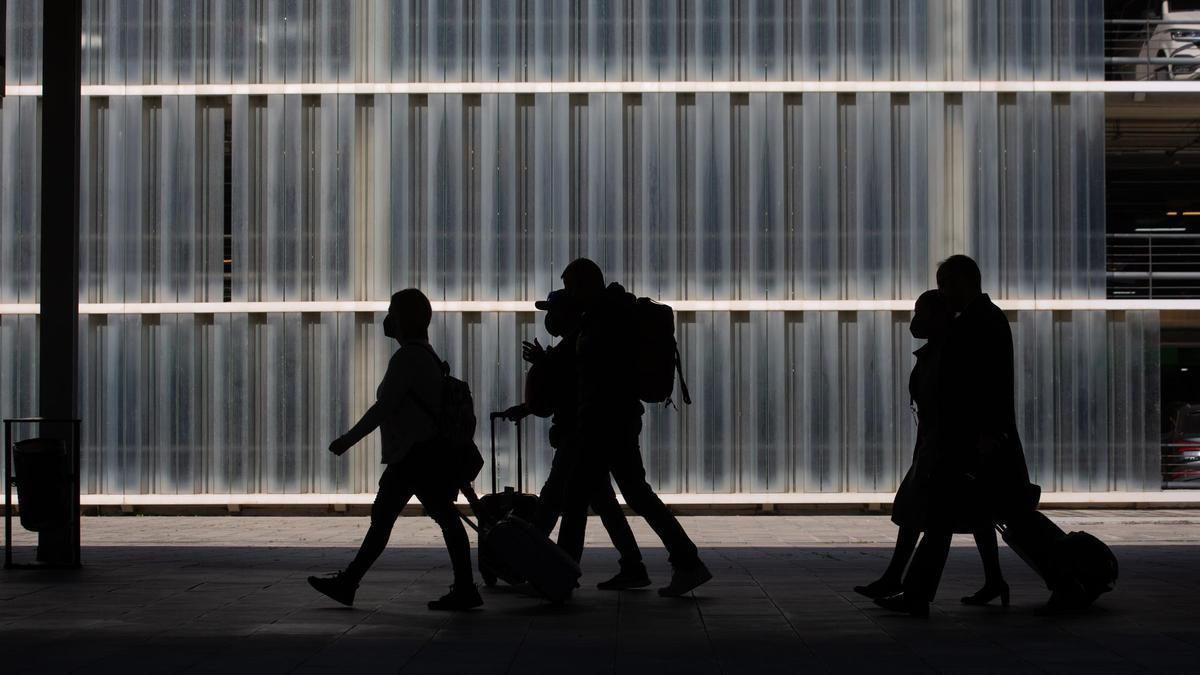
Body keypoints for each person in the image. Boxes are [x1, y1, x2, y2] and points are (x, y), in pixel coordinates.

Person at [307, 289, 482, 611]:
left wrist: (348, 439)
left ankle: (464, 588)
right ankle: (351, 582)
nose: (387, 318)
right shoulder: (426, 355)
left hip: (415, 456)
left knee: (404, 518)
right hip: (422, 454)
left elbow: (383, 407)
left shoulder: (408, 358)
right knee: (420, 518)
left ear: (402, 319)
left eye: (391, 312)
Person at [876, 255, 1027, 617]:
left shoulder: (981, 321)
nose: (942, 292)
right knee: (966, 517)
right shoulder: (977, 319)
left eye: (946, 283)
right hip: (966, 441)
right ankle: (973, 584)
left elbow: (987, 385)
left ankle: (912, 593)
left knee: (946, 519)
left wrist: (986, 435)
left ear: (964, 281)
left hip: (971, 442)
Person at [561, 258, 712, 597]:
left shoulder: (605, 317)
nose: (570, 295)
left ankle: (561, 575)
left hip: (605, 421)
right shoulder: (608, 312)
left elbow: (602, 374)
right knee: (635, 493)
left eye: (572, 287)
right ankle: (687, 561)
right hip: (616, 419)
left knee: (576, 496)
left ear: (586, 285)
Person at [855, 289, 1008, 607]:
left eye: (920, 312)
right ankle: (991, 581)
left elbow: (953, 405)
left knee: (919, 512)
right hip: (939, 446)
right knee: (970, 514)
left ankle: (902, 583)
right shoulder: (942, 350)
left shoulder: (950, 353)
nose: (915, 320)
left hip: (943, 449)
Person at [503, 289, 650, 589]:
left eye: (552, 312)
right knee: (601, 502)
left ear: (568, 313)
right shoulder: (575, 343)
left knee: (554, 500)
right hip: (582, 434)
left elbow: (568, 391)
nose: (549, 319)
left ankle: (539, 567)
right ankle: (631, 565)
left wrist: (543, 363)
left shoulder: (578, 344)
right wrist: (526, 406)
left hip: (577, 436)